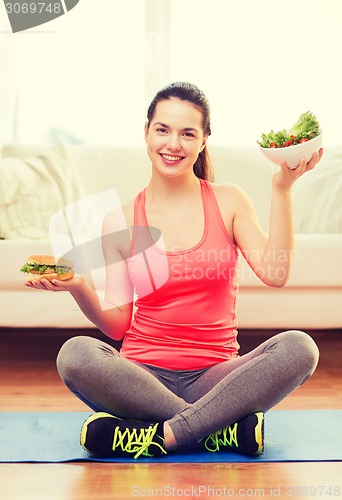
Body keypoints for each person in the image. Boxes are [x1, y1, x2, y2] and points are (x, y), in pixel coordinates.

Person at [25, 82, 322, 460]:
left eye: (187, 134)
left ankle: (155, 434)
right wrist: (79, 286)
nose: (173, 144)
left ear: (204, 141)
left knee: (300, 347)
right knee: (75, 353)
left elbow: (274, 273)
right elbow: (118, 327)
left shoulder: (229, 201)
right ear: (146, 133)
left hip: (217, 380)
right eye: (162, 129)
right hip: (142, 377)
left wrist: (282, 189)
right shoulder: (121, 221)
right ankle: (220, 429)